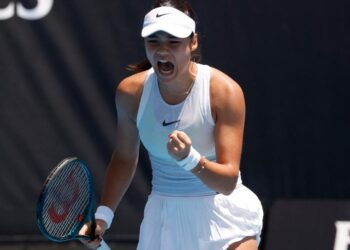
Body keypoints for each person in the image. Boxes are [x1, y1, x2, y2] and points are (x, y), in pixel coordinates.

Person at [80, 0, 263, 249]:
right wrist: (102, 218)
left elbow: (228, 182)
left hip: (224, 214)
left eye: (173, 41)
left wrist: (190, 159)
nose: (162, 50)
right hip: (164, 217)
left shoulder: (224, 92)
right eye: (153, 41)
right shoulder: (130, 93)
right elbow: (124, 157)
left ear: (193, 42)